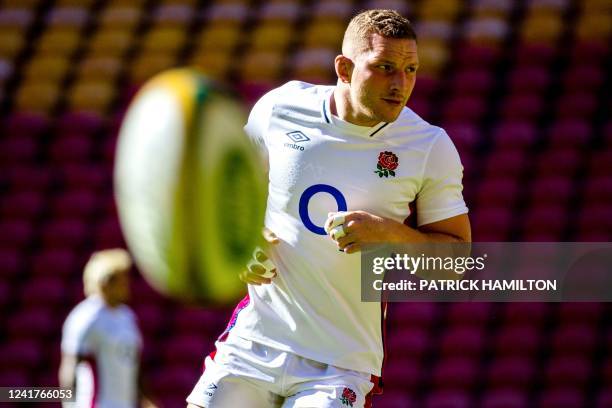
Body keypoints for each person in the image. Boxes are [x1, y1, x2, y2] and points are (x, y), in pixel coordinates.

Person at [187, 9, 470, 408]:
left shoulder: (429, 146)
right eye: (384, 67)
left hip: (342, 363)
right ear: (344, 67)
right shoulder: (279, 108)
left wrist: (387, 232)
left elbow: (457, 263)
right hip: (256, 342)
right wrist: (242, 248)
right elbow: (230, 204)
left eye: (410, 69)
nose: (400, 83)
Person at [59, 249, 156, 408]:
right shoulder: (86, 318)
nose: (127, 285)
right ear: (105, 283)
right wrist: (69, 405)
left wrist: (148, 400)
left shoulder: (127, 317)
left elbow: (133, 363)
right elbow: (71, 368)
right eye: (122, 280)